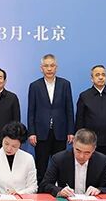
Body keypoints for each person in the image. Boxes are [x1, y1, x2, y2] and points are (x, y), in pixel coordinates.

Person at [27, 54, 75, 182]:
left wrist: (71, 131)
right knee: (41, 167)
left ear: (56, 67)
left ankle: (60, 190)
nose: (49, 69)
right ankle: (41, 191)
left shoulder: (65, 84)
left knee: (60, 166)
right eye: (46, 66)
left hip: (60, 132)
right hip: (41, 133)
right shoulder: (34, 86)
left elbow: (69, 109)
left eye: (52, 65)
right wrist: (32, 132)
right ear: (41, 68)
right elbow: (31, 111)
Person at [76, 65, 106, 171]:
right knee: (91, 167)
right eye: (97, 75)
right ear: (92, 78)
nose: (101, 77)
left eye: (103, 75)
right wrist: (80, 137)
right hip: (90, 140)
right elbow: (80, 119)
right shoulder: (84, 96)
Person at [40, 129, 106, 197]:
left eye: (87, 153)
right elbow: (44, 185)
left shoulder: (101, 161)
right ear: (73, 144)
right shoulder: (59, 159)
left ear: (94, 149)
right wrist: (60, 191)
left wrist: (99, 190)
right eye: (78, 150)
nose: (81, 156)